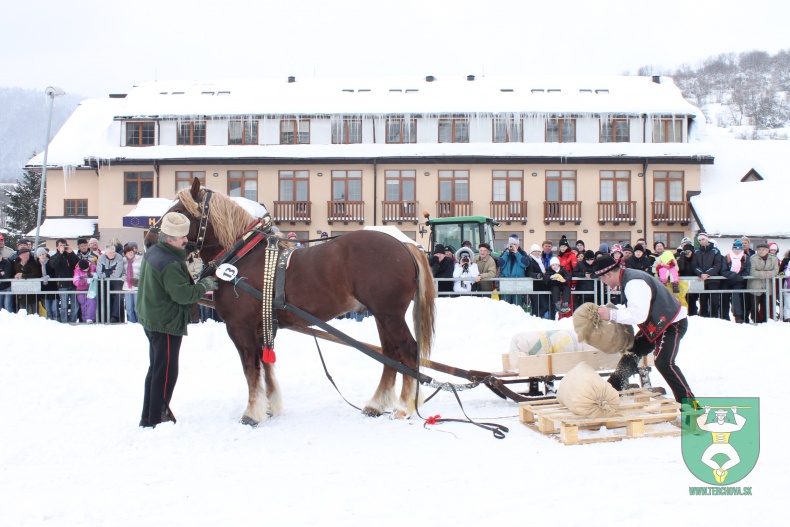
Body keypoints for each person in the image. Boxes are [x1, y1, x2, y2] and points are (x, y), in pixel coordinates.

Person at [137, 212, 219, 428]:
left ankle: (149, 413)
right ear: (170, 238)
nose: (186, 240)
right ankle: (157, 417)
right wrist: (205, 285)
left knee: (156, 368)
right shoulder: (170, 263)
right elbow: (184, 295)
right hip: (166, 322)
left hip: (153, 318)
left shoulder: (155, 251)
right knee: (166, 371)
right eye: (182, 237)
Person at [593, 255, 695, 404]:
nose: (603, 283)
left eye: (602, 279)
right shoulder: (628, 277)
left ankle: (690, 407)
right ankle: (611, 390)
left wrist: (611, 314)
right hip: (659, 323)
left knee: (664, 362)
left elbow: (638, 315)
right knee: (633, 352)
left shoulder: (634, 283)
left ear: (608, 274)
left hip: (673, 323)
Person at [692, 232, 723, 319]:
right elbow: (694, 265)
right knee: (703, 301)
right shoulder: (696, 251)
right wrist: (701, 274)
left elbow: (717, 264)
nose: (701, 241)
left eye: (703, 239)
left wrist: (708, 274)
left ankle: (715, 318)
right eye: (700, 240)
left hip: (713, 279)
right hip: (702, 280)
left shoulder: (715, 251)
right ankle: (704, 318)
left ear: (707, 239)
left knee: (714, 301)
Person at [49, 238, 80, 323]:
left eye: (64, 245)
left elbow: (78, 263)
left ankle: (73, 320)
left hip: (73, 284)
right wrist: (60, 254)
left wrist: (71, 252)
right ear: (57, 247)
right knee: (64, 305)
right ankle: (64, 321)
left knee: (75, 305)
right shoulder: (54, 256)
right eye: (61, 245)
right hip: (63, 284)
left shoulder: (70, 255)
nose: (63, 247)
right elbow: (53, 265)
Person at [747, 242, 779, 323]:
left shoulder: (774, 258)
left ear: (767, 250)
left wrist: (767, 273)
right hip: (755, 286)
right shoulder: (752, 258)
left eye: (763, 249)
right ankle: (756, 322)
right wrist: (766, 274)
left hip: (768, 286)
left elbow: (775, 271)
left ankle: (766, 322)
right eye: (759, 249)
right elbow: (752, 271)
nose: (761, 251)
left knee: (766, 306)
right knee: (754, 306)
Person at [720, 239, 751, 323]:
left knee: (736, 298)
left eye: (739, 249)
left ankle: (737, 316)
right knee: (725, 299)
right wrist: (735, 275)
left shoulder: (745, 258)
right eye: (735, 248)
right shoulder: (727, 257)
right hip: (726, 281)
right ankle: (724, 317)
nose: (737, 250)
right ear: (732, 249)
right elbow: (723, 271)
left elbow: (747, 271)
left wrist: (739, 277)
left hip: (738, 281)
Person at [497, 235, 528, 307]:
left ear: (518, 245)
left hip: (518, 283)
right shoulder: (505, 253)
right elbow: (500, 264)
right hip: (506, 283)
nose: (512, 246)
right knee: (505, 306)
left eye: (514, 244)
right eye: (511, 244)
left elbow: (525, 264)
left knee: (517, 305)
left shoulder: (522, 253)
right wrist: (506, 253)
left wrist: (517, 253)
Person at [97, 244, 125, 323]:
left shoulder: (119, 257)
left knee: (118, 296)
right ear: (105, 253)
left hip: (116, 280)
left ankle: (115, 316)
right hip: (104, 281)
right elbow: (99, 273)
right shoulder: (101, 258)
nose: (112, 254)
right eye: (110, 252)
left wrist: (107, 273)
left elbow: (118, 273)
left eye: (113, 252)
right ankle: (104, 316)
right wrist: (110, 272)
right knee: (104, 296)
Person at [12, 247, 42, 313]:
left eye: (27, 254)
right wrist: (15, 276)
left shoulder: (34, 263)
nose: (26, 256)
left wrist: (23, 276)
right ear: (20, 256)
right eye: (24, 255)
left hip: (33, 291)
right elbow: (13, 273)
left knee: (35, 311)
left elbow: (37, 275)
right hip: (22, 292)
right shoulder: (16, 264)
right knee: (23, 311)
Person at [525, 244, 549, 318]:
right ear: (532, 252)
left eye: (539, 251)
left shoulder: (539, 261)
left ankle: (537, 318)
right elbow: (529, 272)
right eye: (535, 251)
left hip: (541, 287)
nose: (537, 253)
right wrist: (537, 275)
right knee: (537, 307)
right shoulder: (531, 261)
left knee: (544, 306)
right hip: (535, 287)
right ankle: (535, 318)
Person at [122, 243, 143, 323]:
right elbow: (122, 271)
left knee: (136, 306)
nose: (131, 253)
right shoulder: (123, 262)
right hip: (127, 286)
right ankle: (131, 321)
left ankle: (139, 321)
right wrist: (123, 276)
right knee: (129, 306)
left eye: (131, 252)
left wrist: (138, 276)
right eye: (128, 252)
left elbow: (142, 270)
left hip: (137, 285)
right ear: (125, 254)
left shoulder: (139, 260)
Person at [36, 247, 59, 319]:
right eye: (40, 255)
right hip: (44, 289)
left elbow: (55, 273)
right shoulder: (37, 264)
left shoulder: (50, 262)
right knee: (47, 309)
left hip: (53, 288)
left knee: (54, 308)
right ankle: (49, 320)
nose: (42, 256)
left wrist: (49, 276)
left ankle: (56, 320)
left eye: (43, 254)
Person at [73, 259, 97, 323]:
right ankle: (84, 319)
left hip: (91, 290)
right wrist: (85, 281)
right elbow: (75, 281)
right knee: (83, 305)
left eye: (87, 268)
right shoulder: (77, 271)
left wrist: (95, 276)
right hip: (81, 290)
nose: (86, 270)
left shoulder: (93, 267)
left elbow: (98, 274)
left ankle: (90, 319)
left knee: (91, 303)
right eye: (84, 269)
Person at [677, 243, 698, 316]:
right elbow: (681, 268)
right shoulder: (681, 259)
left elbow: (695, 268)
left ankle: (693, 315)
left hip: (694, 283)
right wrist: (682, 257)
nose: (688, 253)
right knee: (684, 300)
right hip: (683, 283)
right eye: (686, 251)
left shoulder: (695, 259)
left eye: (689, 251)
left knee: (692, 301)